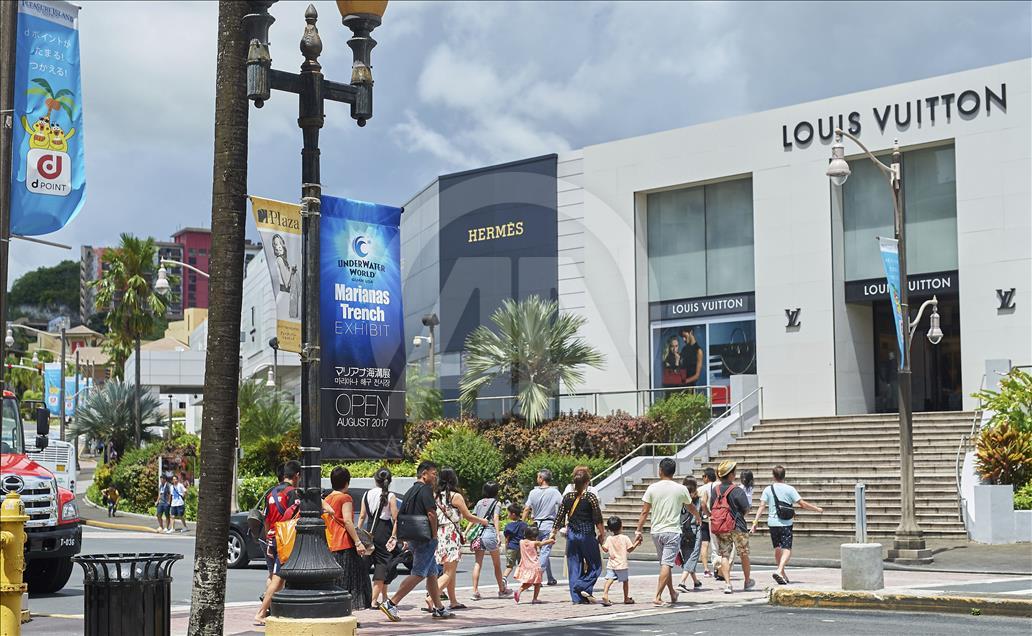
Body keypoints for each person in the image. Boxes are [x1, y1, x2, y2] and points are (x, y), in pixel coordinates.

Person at [379, 461, 454, 621]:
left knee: (432, 573)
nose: (435, 477)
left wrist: (398, 536)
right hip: (425, 538)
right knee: (419, 573)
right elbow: (431, 514)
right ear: (424, 474)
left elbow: (400, 516)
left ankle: (439, 608)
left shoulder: (410, 491)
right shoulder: (426, 490)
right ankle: (391, 603)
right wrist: (435, 536)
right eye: (433, 474)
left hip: (414, 536)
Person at [634, 458, 700, 607]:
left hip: (656, 532)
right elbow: (690, 507)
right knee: (667, 564)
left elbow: (644, 511)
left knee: (665, 563)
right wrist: (697, 516)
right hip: (672, 531)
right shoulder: (681, 489)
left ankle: (672, 593)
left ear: (660, 470)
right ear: (673, 472)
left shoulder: (652, 488)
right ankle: (657, 596)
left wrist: (638, 530)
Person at [426, 467, 488, 612]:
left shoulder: (434, 495)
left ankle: (453, 601)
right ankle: (431, 597)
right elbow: (468, 516)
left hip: (439, 533)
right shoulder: (456, 496)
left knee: (449, 570)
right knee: (449, 572)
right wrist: (482, 521)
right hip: (451, 534)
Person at [750, 465, 823, 585]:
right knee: (787, 549)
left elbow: (761, 506)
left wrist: (755, 523)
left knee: (777, 548)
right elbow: (802, 504)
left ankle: (782, 573)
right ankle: (779, 570)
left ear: (773, 476)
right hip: (786, 523)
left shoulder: (768, 489)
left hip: (772, 523)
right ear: (784, 476)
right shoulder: (790, 489)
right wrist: (817, 509)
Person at [254, 460, 301, 626]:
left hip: (272, 538)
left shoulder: (271, 493)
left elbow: (266, 520)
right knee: (278, 578)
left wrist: (269, 538)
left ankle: (270, 608)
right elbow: (294, 518)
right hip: (284, 540)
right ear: (297, 476)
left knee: (273, 575)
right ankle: (261, 613)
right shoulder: (292, 493)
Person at [550, 469, 605, 604]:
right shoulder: (590, 497)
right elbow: (597, 518)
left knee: (574, 566)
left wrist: (553, 532)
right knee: (595, 565)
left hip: (572, 535)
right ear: (587, 482)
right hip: (587, 534)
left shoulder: (568, 497)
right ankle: (581, 586)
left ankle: (577, 598)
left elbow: (560, 515)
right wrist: (602, 534)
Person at [323, 466, 373, 609]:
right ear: (347, 482)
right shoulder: (345, 498)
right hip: (345, 544)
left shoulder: (327, 499)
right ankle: (349, 609)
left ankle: (338, 609)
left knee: (338, 581)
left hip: (331, 544)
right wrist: (358, 542)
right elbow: (348, 521)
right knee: (355, 581)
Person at [710, 460, 754, 594]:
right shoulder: (737, 490)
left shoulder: (715, 490)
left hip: (722, 526)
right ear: (730, 475)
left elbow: (712, 506)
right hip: (738, 526)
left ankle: (728, 584)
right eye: (734, 472)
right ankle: (747, 581)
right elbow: (746, 508)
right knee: (744, 554)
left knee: (724, 555)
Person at [358, 468, 400, 608]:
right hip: (384, 531)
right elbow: (395, 518)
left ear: (375, 479)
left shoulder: (366, 494)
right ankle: (374, 600)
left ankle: (383, 596)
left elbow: (362, 516)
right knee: (382, 565)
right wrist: (394, 536)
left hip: (369, 530)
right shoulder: (391, 496)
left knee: (368, 562)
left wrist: (359, 534)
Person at [470, 481, 511, 600]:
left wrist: (467, 532)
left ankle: (475, 591)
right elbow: (496, 517)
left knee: (478, 563)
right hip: (490, 532)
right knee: (497, 564)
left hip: (479, 534)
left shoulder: (479, 502)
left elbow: (473, 518)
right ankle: (501, 590)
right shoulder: (497, 503)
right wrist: (498, 535)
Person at [522, 469, 563, 586]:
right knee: (545, 551)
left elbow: (527, 508)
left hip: (535, 526)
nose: (536, 479)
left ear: (541, 478)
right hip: (548, 525)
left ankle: (550, 578)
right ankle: (537, 576)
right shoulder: (554, 492)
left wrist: (522, 522)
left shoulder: (533, 492)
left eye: (537, 477)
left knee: (542, 552)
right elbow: (563, 505)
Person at [600, 516, 638, 606]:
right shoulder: (625, 538)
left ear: (609, 529)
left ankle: (605, 594)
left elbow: (605, 549)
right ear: (621, 526)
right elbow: (630, 549)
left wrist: (601, 542)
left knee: (609, 579)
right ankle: (626, 598)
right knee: (625, 581)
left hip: (611, 564)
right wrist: (636, 543)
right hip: (621, 564)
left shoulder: (609, 538)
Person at [513, 525, 555, 604]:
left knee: (528, 582)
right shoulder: (534, 543)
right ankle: (534, 598)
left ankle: (519, 591)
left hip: (525, 565)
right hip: (534, 566)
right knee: (537, 583)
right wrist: (550, 540)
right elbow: (542, 543)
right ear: (533, 537)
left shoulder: (521, 542)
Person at [677, 477, 703, 593]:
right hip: (695, 530)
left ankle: (696, 581)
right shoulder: (698, 501)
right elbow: (706, 512)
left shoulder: (679, 500)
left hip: (682, 531)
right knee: (693, 556)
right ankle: (682, 582)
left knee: (688, 556)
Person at [502, 503, 527, 590]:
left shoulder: (508, 526)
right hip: (521, 548)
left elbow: (507, 539)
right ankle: (525, 582)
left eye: (508, 513)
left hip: (511, 547)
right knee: (522, 565)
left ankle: (504, 579)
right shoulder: (524, 525)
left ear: (513, 514)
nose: (508, 515)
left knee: (509, 566)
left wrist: (506, 547)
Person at [698, 467, 717, 577]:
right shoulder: (718, 486)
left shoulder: (701, 489)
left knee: (704, 544)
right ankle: (718, 568)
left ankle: (706, 569)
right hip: (716, 519)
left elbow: (701, 504)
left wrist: (707, 513)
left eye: (703, 476)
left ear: (707, 477)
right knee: (717, 545)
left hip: (704, 519)